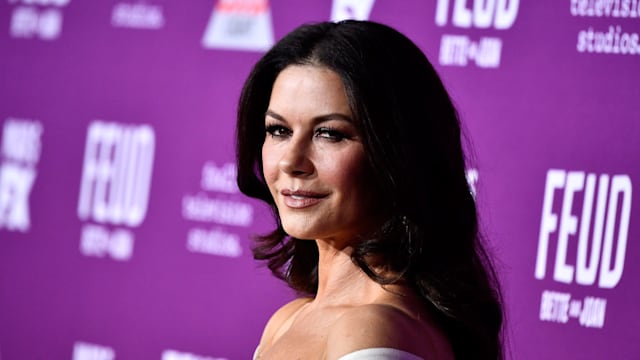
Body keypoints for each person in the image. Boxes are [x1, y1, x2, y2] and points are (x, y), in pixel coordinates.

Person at [235, 20, 504, 360]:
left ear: (397, 153)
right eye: (278, 130)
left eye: (329, 134)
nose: (291, 160)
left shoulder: (372, 329)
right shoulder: (287, 321)